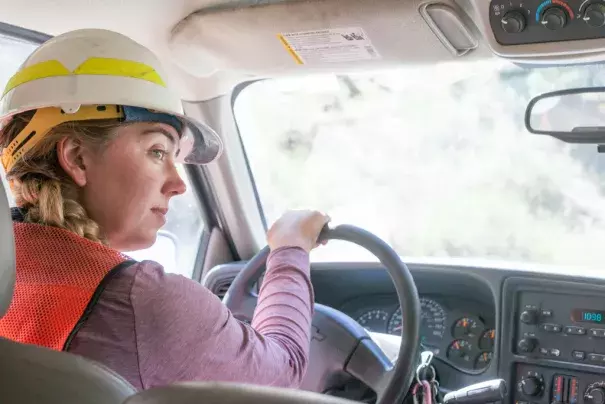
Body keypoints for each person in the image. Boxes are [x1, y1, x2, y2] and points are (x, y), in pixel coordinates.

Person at [0, 28, 329, 390]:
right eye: (158, 151)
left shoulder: (13, 281)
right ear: (78, 158)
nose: (179, 184)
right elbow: (282, 374)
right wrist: (289, 249)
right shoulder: (141, 301)